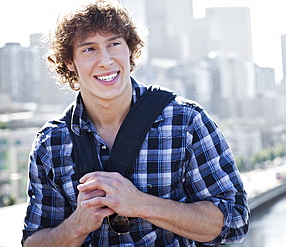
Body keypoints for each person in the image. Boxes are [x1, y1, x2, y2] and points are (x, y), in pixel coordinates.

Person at [22, 0, 250, 246]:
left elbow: (235, 221)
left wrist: (141, 203)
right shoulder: (50, 143)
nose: (106, 60)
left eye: (114, 44)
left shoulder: (186, 121)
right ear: (69, 62)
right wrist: (78, 224)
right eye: (89, 49)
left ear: (129, 49)